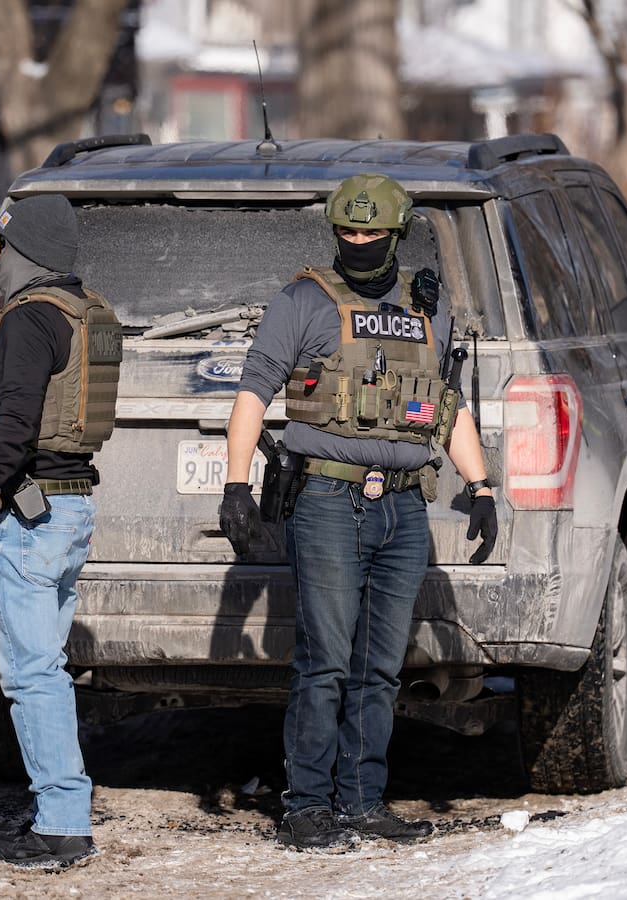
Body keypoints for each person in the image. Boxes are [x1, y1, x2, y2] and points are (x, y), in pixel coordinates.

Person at [220, 173, 498, 852]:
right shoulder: (304, 300)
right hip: (327, 500)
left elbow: (445, 404)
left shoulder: (426, 309)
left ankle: (362, 801)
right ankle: (308, 804)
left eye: (373, 233)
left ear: (397, 235)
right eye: (349, 232)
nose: (360, 242)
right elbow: (255, 392)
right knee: (325, 659)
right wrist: (235, 483)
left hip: (403, 509)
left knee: (380, 665)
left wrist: (482, 485)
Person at [0, 194, 122, 869]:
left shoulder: (26, 321)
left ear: (27, 252)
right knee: (47, 671)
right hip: (68, 509)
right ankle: (59, 811)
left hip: (23, 514)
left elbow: (14, 426)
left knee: (30, 676)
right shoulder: (87, 314)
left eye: (0, 247)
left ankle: (62, 825)